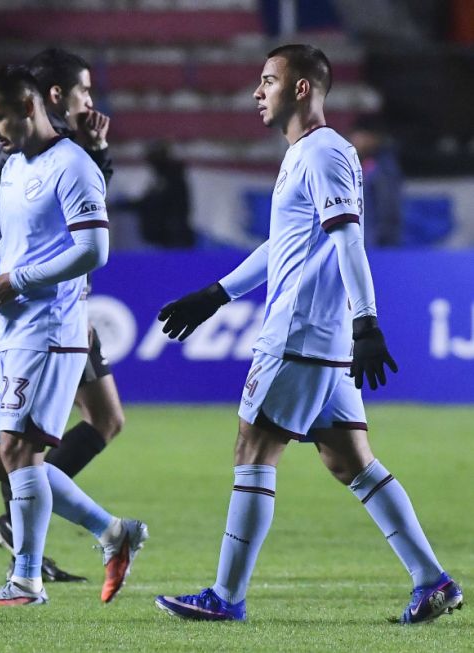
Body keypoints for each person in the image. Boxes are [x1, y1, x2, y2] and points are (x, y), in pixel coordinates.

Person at [154, 44, 462, 624]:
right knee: (352, 462)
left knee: (253, 449)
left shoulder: (322, 153)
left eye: (268, 80)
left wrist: (368, 322)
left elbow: (349, 241)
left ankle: (225, 596)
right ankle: (432, 580)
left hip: (299, 333)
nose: (256, 91)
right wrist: (218, 293)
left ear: (301, 88)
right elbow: (287, 245)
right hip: (323, 339)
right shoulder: (306, 155)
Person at [0, 65, 147, 607]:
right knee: (2, 460)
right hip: (12, 324)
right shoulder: (14, 165)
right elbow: (16, 240)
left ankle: (25, 581)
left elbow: (94, 250)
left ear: (27, 107)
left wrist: (16, 279)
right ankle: (113, 532)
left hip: (51, 327)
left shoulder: (74, 165)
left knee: (20, 450)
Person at [125, 141, 195, 248]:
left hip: (172, 235)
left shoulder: (171, 177)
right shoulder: (163, 178)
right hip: (166, 235)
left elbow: (157, 203)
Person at [349, 116, 403, 248]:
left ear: (373, 138)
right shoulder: (346, 163)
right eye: (355, 136)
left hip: (376, 240)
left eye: (362, 136)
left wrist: (382, 237)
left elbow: (388, 206)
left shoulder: (384, 168)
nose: (356, 140)